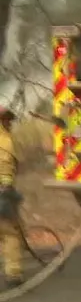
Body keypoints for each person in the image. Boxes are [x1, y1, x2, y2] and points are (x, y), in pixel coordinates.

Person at [0, 107, 22, 289]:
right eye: (7, 120)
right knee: (10, 233)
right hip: (2, 193)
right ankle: (13, 275)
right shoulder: (4, 141)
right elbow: (6, 164)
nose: (10, 124)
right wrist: (6, 189)